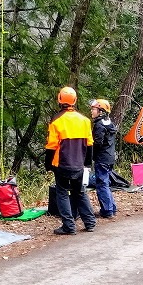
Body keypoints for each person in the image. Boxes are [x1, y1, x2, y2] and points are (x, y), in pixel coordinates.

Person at [45, 86, 96, 235]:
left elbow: (51, 146)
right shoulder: (85, 120)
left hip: (61, 165)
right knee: (79, 192)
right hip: (79, 164)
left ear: (59, 100)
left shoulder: (56, 120)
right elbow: (90, 144)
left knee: (62, 193)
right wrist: (87, 163)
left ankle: (69, 226)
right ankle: (90, 222)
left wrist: (48, 164)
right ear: (74, 100)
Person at [90, 98, 117, 219]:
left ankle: (107, 211)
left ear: (100, 112)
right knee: (105, 183)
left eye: (94, 109)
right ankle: (111, 208)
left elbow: (98, 143)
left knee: (101, 184)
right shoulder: (109, 123)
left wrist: (89, 154)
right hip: (109, 158)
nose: (92, 111)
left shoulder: (99, 125)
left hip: (102, 159)